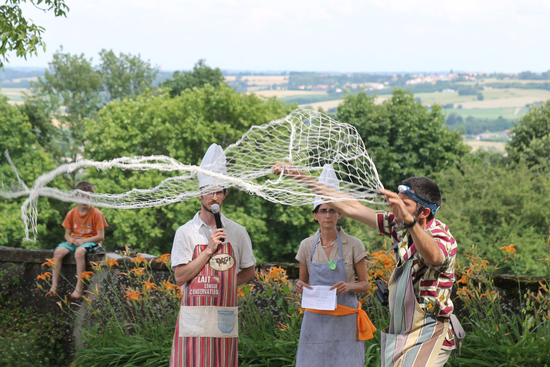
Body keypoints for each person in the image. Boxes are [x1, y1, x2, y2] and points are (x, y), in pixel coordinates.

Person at [272, 163, 459, 367]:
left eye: (405, 205)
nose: (396, 209)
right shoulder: (399, 226)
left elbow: (434, 257)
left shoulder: (441, 236)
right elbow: (351, 207)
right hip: (401, 332)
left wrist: (409, 222)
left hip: (430, 332)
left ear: (423, 213)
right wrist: (301, 177)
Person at [170, 144, 256, 367]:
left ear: (225, 194)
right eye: (209, 191)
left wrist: (225, 285)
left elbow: (249, 270)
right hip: (194, 318)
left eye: (219, 192)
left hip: (223, 317)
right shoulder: (185, 232)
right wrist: (208, 250)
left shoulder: (237, 232)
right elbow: (180, 277)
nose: (214, 197)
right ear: (200, 194)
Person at [294, 164, 375, 367]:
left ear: (340, 214)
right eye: (323, 211)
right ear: (315, 215)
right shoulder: (306, 246)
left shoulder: (354, 245)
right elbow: (302, 282)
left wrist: (349, 286)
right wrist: (298, 286)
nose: (327, 215)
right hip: (314, 322)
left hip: (345, 322)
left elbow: (365, 285)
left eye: (332, 210)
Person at [45, 181, 108, 299]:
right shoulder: (71, 213)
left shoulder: (97, 214)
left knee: (79, 252)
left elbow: (101, 236)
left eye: (89, 197)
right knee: (58, 252)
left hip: (91, 242)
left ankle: (79, 287)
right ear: (76, 196)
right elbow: (67, 234)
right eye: (82, 196)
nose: (85, 200)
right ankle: (54, 286)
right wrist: (69, 240)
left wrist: (83, 241)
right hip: (76, 241)